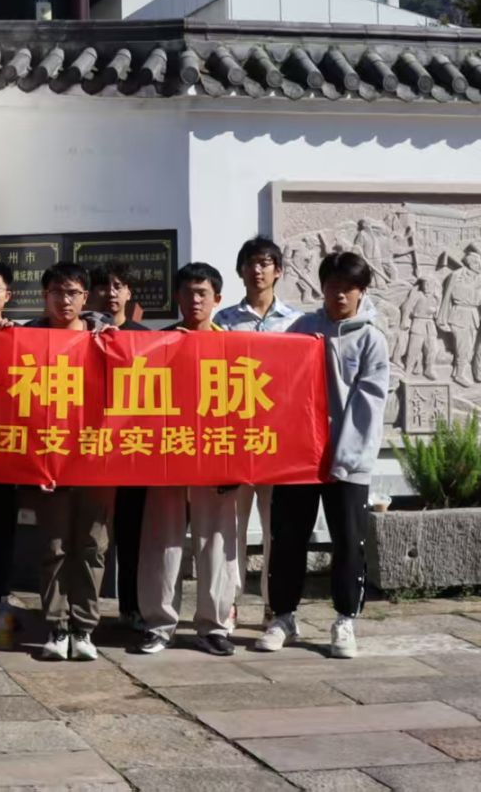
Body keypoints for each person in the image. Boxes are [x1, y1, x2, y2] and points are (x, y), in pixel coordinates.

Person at [257, 252, 388, 661]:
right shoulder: (303, 329)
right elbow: (279, 385)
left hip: (348, 462)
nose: (339, 295)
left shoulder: (371, 339)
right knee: (288, 538)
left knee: (348, 542)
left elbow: (368, 405)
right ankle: (283, 616)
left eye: (348, 288)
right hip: (299, 459)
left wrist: (345, 458)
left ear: (361, 291)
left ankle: (345, 619)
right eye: (332, 287)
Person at [134, 263, 243, 656]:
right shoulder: (157, 343)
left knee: (217, 543)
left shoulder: (233, 346)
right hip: (167, 456)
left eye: (202, 293)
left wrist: (236, 464)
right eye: (187, 293)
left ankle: (214, 626)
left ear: (217, 298)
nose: (195, 300)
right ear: (176, 298)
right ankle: (158, 624)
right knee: (161, 542)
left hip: (216, 457)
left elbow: (245, 408)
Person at [21, 263, 114, 663]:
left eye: (73, 292)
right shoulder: (27, 338)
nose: (65, 300)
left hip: (94, 458)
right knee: (54, 547)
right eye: (57, 292)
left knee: (93, 546)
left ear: (85, 297)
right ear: (45, 296)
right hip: (49, 460)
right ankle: (57, 626)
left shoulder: (105, 338)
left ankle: (85, 628)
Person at [216, 237, 301, 623]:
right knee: (232, 527)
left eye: (265, 263)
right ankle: (229, 602)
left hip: (278, 439)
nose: (257, 270)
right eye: (250, 263)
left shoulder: (296, 322)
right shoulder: (224, 322)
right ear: (241, 270)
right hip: (235, 437)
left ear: (278, 270)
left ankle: (273, 604)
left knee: (275, 529)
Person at [90, 262, 153, 628]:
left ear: (129, 292)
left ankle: (132, 607)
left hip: (131, 449)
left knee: (132, 534)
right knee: (90, 537)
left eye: (119, 285)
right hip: (87, 449)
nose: (111, 292)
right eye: (104, 286)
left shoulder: (145, 337)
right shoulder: (80, 333)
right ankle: (84, 613)